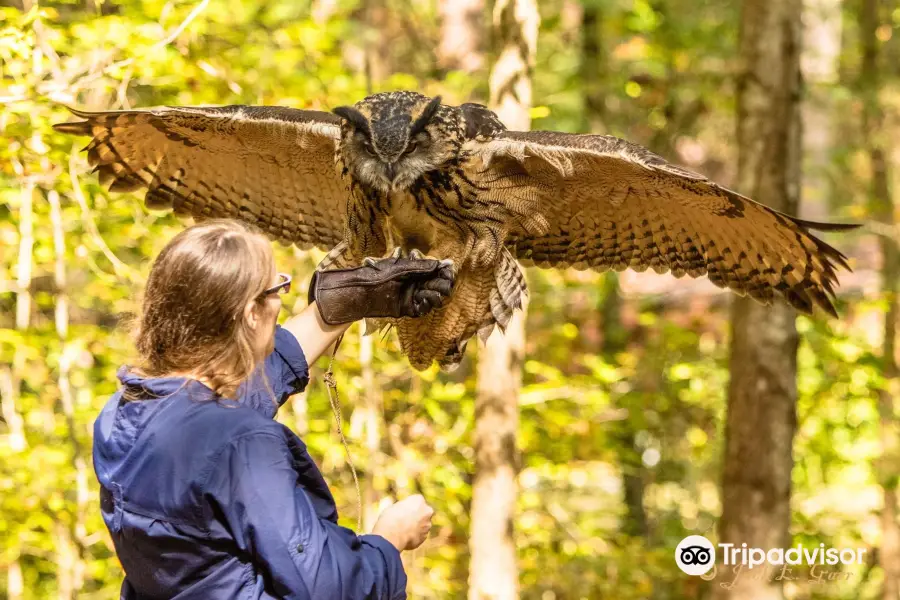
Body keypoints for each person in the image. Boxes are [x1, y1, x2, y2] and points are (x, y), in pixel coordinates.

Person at [92, 219, 456, 600]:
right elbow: (327, 588)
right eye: (277, 287)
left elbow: (212, 419)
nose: (282, 297)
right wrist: (389, 540)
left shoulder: (123, 414)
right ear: (251, 312)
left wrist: (337, 309)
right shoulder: (242, 443)